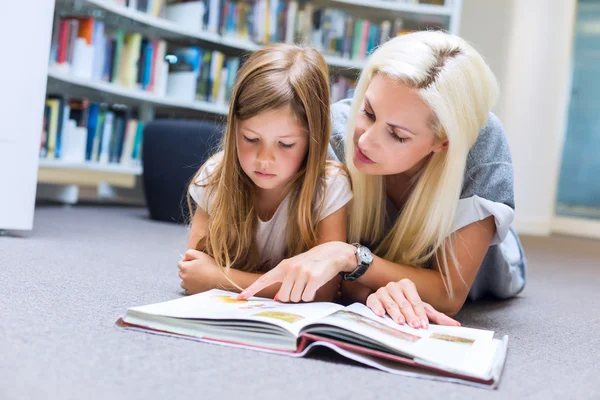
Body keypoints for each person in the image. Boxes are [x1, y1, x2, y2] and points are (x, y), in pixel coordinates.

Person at [239, 31, 527, 330]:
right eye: (367, 111)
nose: (364, 140)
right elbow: (327, 273)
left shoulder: (481, 144)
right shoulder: (334, 129)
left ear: (442, 142)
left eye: (397, 135)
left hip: (483, 268)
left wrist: (350, 257)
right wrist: (360, 283)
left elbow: (448, 293)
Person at [178, 43, 352, 302]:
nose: (265, 160)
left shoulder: (330, 186)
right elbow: (193, 272)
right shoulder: (215, 174)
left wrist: (219, 279)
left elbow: (324, 289)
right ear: (235, 128)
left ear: (312, 139)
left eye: (285, 144)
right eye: (250, 138)